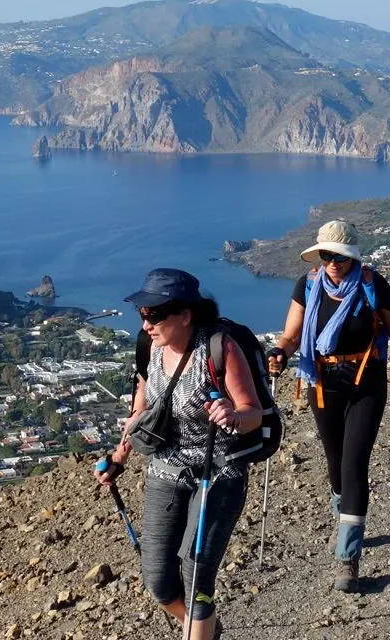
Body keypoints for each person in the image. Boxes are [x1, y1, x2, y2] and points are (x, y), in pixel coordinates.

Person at [95, 268, 264, 640]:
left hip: (218, 471)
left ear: (185, 315)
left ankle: (199, 627)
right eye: (143, 314)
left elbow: (254, 413)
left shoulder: (219, 349)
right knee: (158, 581)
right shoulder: (149, 346)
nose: (146, 323)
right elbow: (141, 412)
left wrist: (234, 416)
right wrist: (120, 457)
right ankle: (206, 629)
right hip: (166, 470)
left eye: (155, 314)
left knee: (196, 573)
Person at [265, 220, 390, 592]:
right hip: (323, 385)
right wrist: (280, 352)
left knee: (353, 464)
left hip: (366, 384)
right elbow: (292, 335)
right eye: (327, 255)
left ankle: (348, 557)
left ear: (353, 258)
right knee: (335, 464)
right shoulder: (308, 285)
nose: (333, 263)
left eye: (340, 257)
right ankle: (347, 518)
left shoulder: (372, 285)